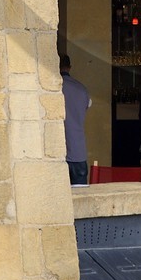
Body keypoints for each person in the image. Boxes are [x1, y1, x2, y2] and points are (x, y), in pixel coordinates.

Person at [60, 53, 91, 186]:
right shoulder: (82, 89)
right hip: (78, 152)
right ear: (69, 67)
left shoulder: (50, 89)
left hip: (58, 152)